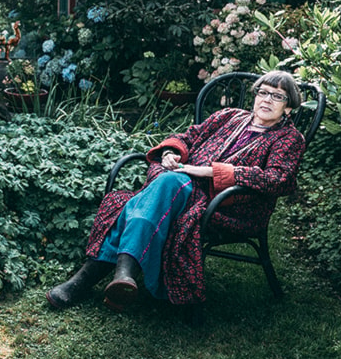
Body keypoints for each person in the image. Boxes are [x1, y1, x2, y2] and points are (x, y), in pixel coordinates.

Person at [46, 70, 307, 311]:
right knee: (164, 184)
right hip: (179, 186)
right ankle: (121, 278)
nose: (267, 99)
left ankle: (89, 279)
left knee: (154, 191)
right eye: (263, 91)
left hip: (226, 204)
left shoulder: (289, 139)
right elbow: (188, 137)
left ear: (289, 106)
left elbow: (279, 179)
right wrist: (172, 153)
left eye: (277, 96)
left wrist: (209, 171)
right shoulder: (229, 117)